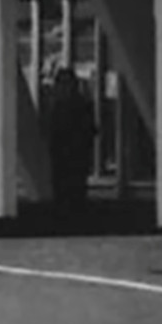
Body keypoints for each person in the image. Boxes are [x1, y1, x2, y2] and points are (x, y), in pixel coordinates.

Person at [42, 59, 97, 217]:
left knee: (69, 192)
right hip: (69, 160)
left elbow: (51, 132)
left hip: (69, 159)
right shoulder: (77, 106)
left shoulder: (60, 108)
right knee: (70, 193)